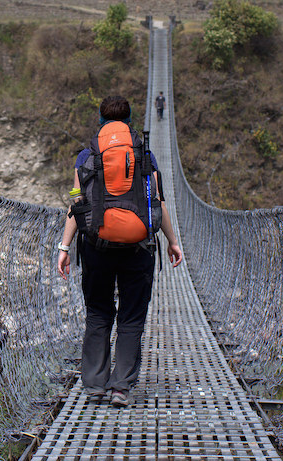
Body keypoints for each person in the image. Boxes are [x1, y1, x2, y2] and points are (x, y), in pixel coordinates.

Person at [57, 95, 183, 408]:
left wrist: (64, 246)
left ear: (100, 119)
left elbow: (77, 203)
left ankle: (95, 387)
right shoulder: (145, 155)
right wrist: (172, 240)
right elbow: (158, 203)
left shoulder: (86, 156)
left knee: (98, 314)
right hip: (138, 248)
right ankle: (121, 389)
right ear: (129, 120)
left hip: (96, 246)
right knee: (131, 317)